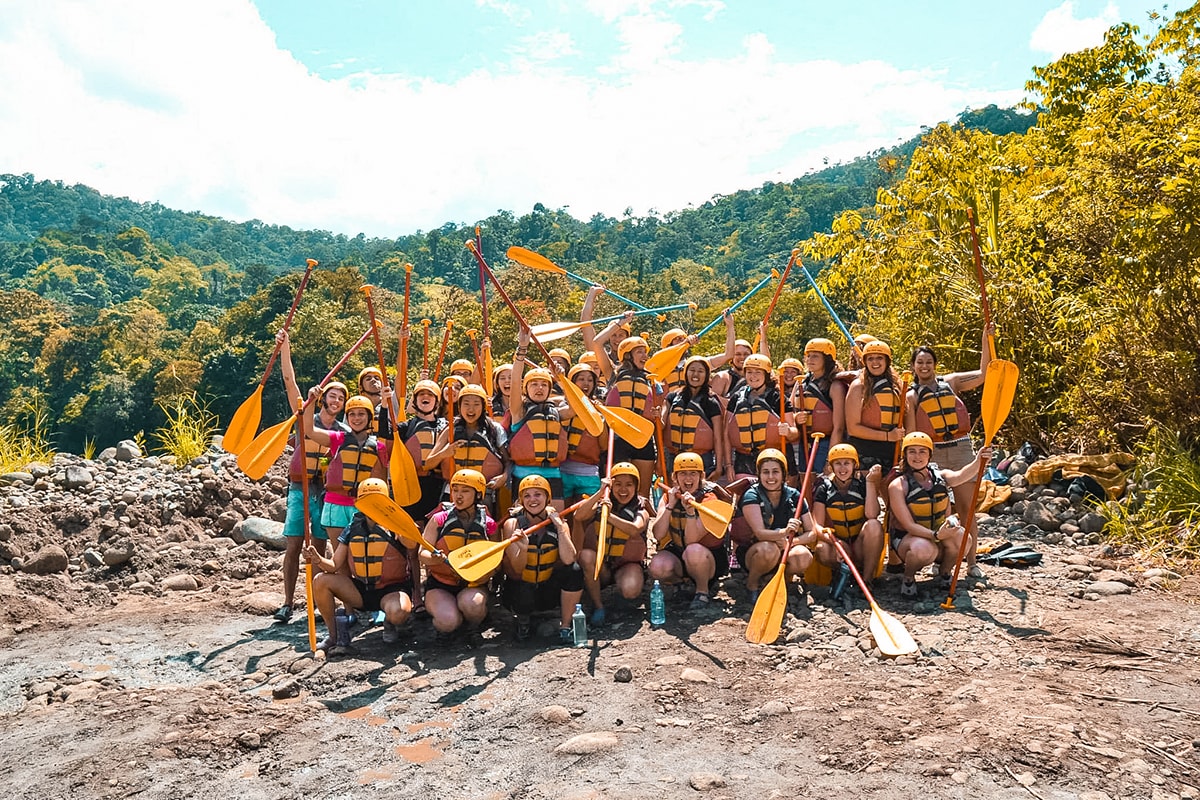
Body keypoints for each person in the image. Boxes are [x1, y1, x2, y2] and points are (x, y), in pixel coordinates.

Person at [272, 329, 349, 622]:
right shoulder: (305, 415)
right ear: (324, 397)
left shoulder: (342, 432)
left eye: (341, 397)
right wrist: (284, 347)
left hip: (324, 491)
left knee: (318, 546)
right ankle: (288, 602)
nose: (336, 399)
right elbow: (290, 382)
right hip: (299, 487)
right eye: (332, 395)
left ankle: (316, 605)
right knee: (293, 545)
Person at [304, 478, 416, 654]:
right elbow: (334, 565)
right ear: (359, 503)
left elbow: (411, 545)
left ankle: (390, 621)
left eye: (377, 500)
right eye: (367, 501)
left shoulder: (396, 524)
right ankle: (334, 636)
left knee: (398, 611)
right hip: (362, 591)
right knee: (320, 580)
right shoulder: (352, 527)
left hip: (391, 590)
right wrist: (317, 559)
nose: (372, 505)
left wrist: (401, 525)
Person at [887, 432, 993, 597]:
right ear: (905, 455)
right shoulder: (898, 485)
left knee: (964, 538)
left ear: (930, 454)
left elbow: (962, 475)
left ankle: (945, 572)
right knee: (923, 548)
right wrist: (936, 535)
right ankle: (908, 578)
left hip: (937, 533)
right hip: (909, 539)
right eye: (912, 451)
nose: (917, 456)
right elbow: (908, 525)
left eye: (922, 451)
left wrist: (978, 460)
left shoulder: (941, 476)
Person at [501, 475, 583, 643]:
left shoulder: (559, 522)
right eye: (527, 495)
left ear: (547, 498)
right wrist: (523, 549)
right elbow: (517, 569)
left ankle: (565, 626)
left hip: (548, 589)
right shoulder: (512, 524)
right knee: (520, 582)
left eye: (538, 494)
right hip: (521, 591)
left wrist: (560, 528)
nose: (533, 500)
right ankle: (523, 621)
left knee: (574, 571)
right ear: (522, 500)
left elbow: (569, 559)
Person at [420, 469, 499, 639]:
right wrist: (433, 558)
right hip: (441, 583)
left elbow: (495, 562)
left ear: (478, 494)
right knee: (448, 622)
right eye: (455, 490)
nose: (458, 496)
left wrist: (486, 575)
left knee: (473, 606)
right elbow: (422, 553)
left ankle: (472, 625)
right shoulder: (439, 519)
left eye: (465, 491)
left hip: (473, 584)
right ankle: (448, 624)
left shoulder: (489, 525)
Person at [649, 451, 733, 610]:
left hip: (707, 558)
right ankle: (680, 584)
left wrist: (690, 512)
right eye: (683, 474)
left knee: (693, 550)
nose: (688, 479)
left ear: (701, 476)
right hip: (681, 553)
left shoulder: (709, 499)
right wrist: (670, 506)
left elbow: (691, 540)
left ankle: (702, 591)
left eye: (693, 474)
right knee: (657, 565)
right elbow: (658, 534)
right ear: (675, 477)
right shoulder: (669, 497)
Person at [904, 324, 994, 472]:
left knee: (969, 494)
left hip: (961, 447)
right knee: (939, 495)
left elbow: (983, 374)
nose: (924, 366)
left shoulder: (952, 382)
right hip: (933, 452)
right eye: (920, 362)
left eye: (929, 362)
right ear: (913, 366)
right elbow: (912, 435)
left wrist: (986, 339)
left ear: (935, 365)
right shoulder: (911, 397)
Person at [573, 462, 652, 626]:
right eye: (618, 484)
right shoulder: (602, 502)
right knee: (586, 556)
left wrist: (608, 516)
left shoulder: (640, 509)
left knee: (630, 589)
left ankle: (620, 599)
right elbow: (578, 516)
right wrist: (600, 492)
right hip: (602, 566)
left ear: (636, 487)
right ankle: (598, 606)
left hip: (626, 565)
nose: (623, 490)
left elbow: (634, 529)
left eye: (629, 485)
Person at [304, 390, 388, 542]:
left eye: (361, 414)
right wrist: (311, 401)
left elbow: (382, 482)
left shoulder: (379, 447)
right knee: (340, 561)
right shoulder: (338, 438)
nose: (356, 418)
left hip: (363, 506)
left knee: (357, 558)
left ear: (369, 417)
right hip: (335, 505)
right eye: (352, 414)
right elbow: (309, 430)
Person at [508, 327, 575, 511]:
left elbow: (577, 408)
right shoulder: (519, 411)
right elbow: (515, 381)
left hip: (553, 474)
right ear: (526, 388)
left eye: (544, 384)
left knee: (555, 523)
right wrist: (522, 349)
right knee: (522, 522)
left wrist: (561, 380)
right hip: (523, 474)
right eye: (534, 384)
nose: (539, 388)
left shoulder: (557, 411)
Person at [735, 449, 815, 603]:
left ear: (783, 474)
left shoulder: (795, 495)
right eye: (765, 472)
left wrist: (791, 542)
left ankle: (780, 581)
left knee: (803, 556)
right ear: (759, 474)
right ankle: (752, 584)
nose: (770, 477)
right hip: (756, 551)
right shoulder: (751, 495)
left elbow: (811, 533)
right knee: (768, 550)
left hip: (785, 548)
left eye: (775, 472)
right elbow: (759, 533)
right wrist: (784, 532)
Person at [811, 444, 885, 601]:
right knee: (821, 549)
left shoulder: (863, 484)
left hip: (860, 546)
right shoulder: (823, 488)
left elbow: (872, 514)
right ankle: (845, 572)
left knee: (874, 525)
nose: (842, 468)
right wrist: (835, 542)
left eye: (847, 463)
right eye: (838, 463)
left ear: (854, 465)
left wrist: (871, 483)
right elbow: (816, 526)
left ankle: (866, 580)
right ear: (831, 467)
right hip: (838, 546)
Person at [591, 331, 659, 496]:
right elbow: (597, 342)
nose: (645, 356)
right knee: (618, 491)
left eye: (645, 352)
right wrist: (618, 324)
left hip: (643, 438)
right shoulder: (613, 374)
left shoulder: (651, 378)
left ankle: (642, 517)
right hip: (618, 438)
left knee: (642, 495)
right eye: (639, 352)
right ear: (627, 355)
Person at [427, 383, 508, 514]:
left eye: (476, 404)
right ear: (459, 406)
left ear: (483, 407)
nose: (471, 409)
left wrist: (504, 477)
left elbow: (508, 461)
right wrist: (444, 453)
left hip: (483, 492)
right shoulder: (450, 430)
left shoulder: (494, 429)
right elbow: (428, 463)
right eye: (466, 404)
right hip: (453, 491)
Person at [725, 354, 799, 480]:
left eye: (758, 372)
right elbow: (727, 433)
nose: (753, 376)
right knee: (747, 497)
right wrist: (728, 465)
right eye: (749, 372)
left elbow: (795, 433)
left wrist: (788, 431)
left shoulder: (778, 398)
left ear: (766, 374)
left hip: (775, 455)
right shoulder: (737, 398)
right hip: (745, 459)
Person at [662, 355, 728, 483]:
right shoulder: (672, 397)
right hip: (673, 456)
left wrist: (719, 467)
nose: (695, 374)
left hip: (702, 458)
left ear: (706, 375)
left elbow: (718, 438)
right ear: (686, 373)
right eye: (692, 370)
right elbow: (661, 426)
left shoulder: (711, 402)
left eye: (700, 371)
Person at [845, 340, 905, 473]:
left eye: (879, 358)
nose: (875, 362)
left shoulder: (898, 386)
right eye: (870, 358)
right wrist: (888, 436)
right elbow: (853, 428)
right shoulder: (858, 387)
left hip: (892, 453)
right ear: (865, 362)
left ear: (887, 361)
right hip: (864, 452)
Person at [395, 379, 449, 523]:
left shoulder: (447, 426)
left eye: (430, 395)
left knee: (435, 526)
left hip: (438, 484)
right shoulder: (405, 427)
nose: (425, 397)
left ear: (437, 402)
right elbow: (384, 436)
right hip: (413, 483)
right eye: (421, 395)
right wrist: (384, 405)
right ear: (415, 400)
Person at [796, 338, 846, 474]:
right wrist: (796, 418)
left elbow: (839, 427)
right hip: (804, 443)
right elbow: (790, 412)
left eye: (816, 356)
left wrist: (831, 459)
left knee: (818, 484)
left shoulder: (835, 386)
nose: (810, 359)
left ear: (827, 359)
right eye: (808, 356)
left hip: (825, 443)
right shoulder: (801, 382)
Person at [561, 363, 607, 505]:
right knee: (566, 517)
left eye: (590, 380)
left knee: (587, 519)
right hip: (562, 471)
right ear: (573, 382)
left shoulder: (598, 411)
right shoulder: (560, 407)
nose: (586, 383)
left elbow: (604, 446)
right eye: (581, 379)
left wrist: (602, 419)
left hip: (588, 471)